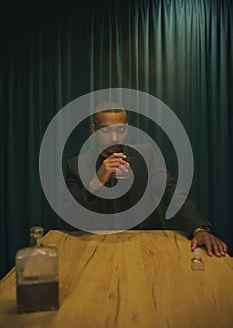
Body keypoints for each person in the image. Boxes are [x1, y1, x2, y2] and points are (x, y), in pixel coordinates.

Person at [62, 102, 228, 258]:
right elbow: (67, 219)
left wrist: (199, 229)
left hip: (146, 246)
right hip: (96, 248)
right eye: (105, 131)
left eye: (120, 130)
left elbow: (171, 191)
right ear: (93, 130)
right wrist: (95, 183)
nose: (114, 137)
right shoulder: (76, 165)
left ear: (127, 129)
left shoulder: (146, 155)